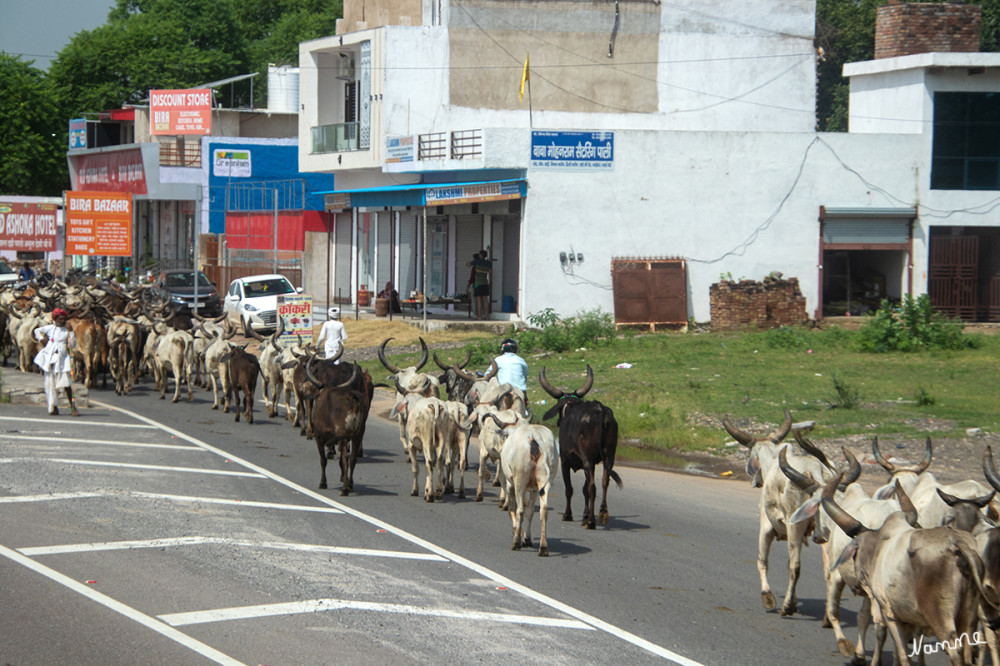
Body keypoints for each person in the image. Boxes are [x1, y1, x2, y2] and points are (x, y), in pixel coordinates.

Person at [33, 308, 80, 417]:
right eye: (60, 318)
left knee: (67, 385)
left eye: (64, 319)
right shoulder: (50, 328)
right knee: (51, 385)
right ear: (55, 319)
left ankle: (73, 407)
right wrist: (41, 339)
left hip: (63, 360)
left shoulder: (67, 331)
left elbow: (72, 345)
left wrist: (71, 331)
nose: (62, 321)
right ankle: (53, 407)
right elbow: (37, 331)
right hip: (51, 360)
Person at [471, 250, 491, 320]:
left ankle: (479, 316)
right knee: (485, 300)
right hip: (485, 283)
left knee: (478, 300)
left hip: (477, 284)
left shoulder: (477, 263)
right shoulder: (488, 263)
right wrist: (489, 282)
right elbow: (490, 273)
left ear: (481, 255)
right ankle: (487, 316)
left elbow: (469, 265)